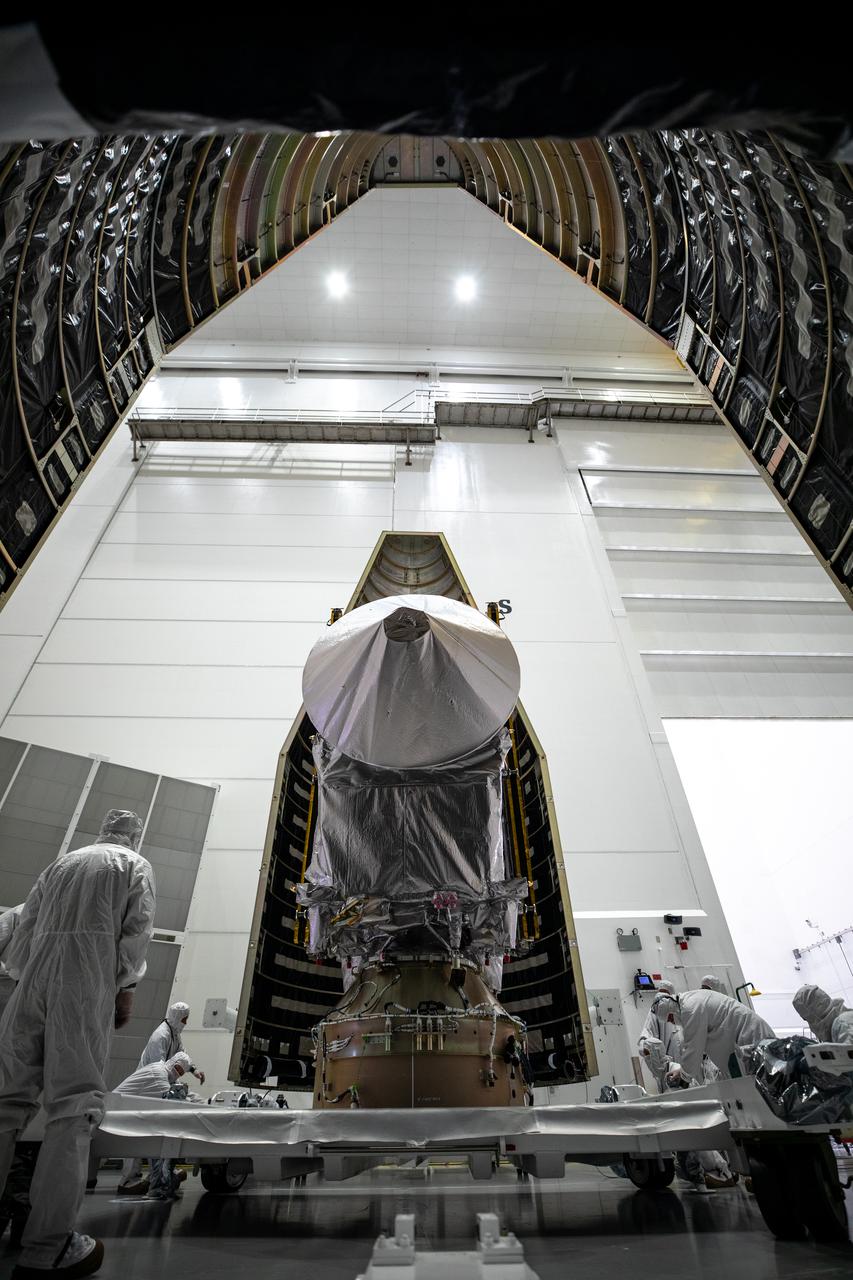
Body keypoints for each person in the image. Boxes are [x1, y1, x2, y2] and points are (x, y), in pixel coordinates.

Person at [0, 809, 155, 1278]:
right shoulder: (134, 865)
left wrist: (29, 982)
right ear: (134, 834)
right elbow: (136, 934)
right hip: (84, 982)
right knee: (73, 1109)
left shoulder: (61, 864)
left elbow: (23, 935)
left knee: (5, 1105)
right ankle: (48, 1247)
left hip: (31, 983)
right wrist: (124, 989)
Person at [118, 1002, 204, 1195]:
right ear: (176, 1017)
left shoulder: (174, 1034)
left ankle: (161, 1172)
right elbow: (160, 1073)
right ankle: (129, 1180)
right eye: (184, 1019)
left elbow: (181, 1057)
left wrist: (194, 1070)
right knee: (138, 1135)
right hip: (140, 1095)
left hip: (152, 1088)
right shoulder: (161, 1036)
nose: (186, 1022)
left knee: (156, 1129)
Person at [114, 1053, 193, 1202]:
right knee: (159, 1143)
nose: (177, 1075)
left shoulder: (160, 1070)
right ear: (172, 1062)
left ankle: (158, 1184)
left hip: (125, 1113)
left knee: (157, 1141)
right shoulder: (158, 1074)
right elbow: (171, 1101)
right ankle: (158, 1187)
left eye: (181, 1073)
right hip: (119, 1116)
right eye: (177, 1070)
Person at [656, 989, 775, 1086]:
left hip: (750, 1037)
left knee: (767, 1086)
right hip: (744, 1041)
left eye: (671, 1019)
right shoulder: (689, 1001)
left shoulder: (690, 1008)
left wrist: (684, 1076)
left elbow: (693, 1047)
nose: (673, 1023)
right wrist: (682, 1071)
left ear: (673, 1010)